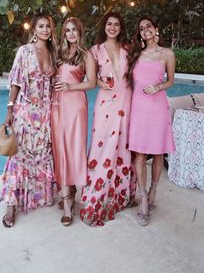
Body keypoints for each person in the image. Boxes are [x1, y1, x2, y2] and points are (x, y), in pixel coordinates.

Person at [80, 12, 136, 227]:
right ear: (104, 27)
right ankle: (96, 197)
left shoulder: (128, 49)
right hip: (106, 104)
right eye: (109, 24)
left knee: (123, 148)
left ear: (121, 28)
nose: (113, 27)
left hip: (127, 102)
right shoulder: (94, 51)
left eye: (117, 24)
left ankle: (120, 196)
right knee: (101, 148)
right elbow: (91, 80)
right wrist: (101, 83)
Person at [1, 11, 58, 227]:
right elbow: (15, 82)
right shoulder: (24, 52)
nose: (45, 30)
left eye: (48, 26)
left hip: (44, 114)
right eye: (41, 26)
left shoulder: (53, 53)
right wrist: (10, 108)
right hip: (25, 112)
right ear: (34, 29)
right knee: (19, 156)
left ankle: (36, 195)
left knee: (42, 155)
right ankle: (11, 205)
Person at [127, 17, 176, 226]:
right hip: (138, 109)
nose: (145, 30)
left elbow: (171, 81)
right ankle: (143, 196)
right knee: (139, 153)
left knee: (157, 153)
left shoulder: (167, 54)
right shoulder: (136, 55)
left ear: (156, 29)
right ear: (139, 34)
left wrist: (158, 87)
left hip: (157, 108)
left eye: (148, 26)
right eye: (141, 28)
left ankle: (154, 190)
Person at [51, 17, 96, 226]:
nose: (70, 34)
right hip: (57, 106)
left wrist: (70, 87)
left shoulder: (86, 54)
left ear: (80, 32)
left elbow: (92, 83)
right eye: (67, 30)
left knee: (73, 149)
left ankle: (68, 203)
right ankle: (68, 190)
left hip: (76, 105)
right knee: (60, 150)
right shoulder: (59, 54)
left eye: (74, 30)